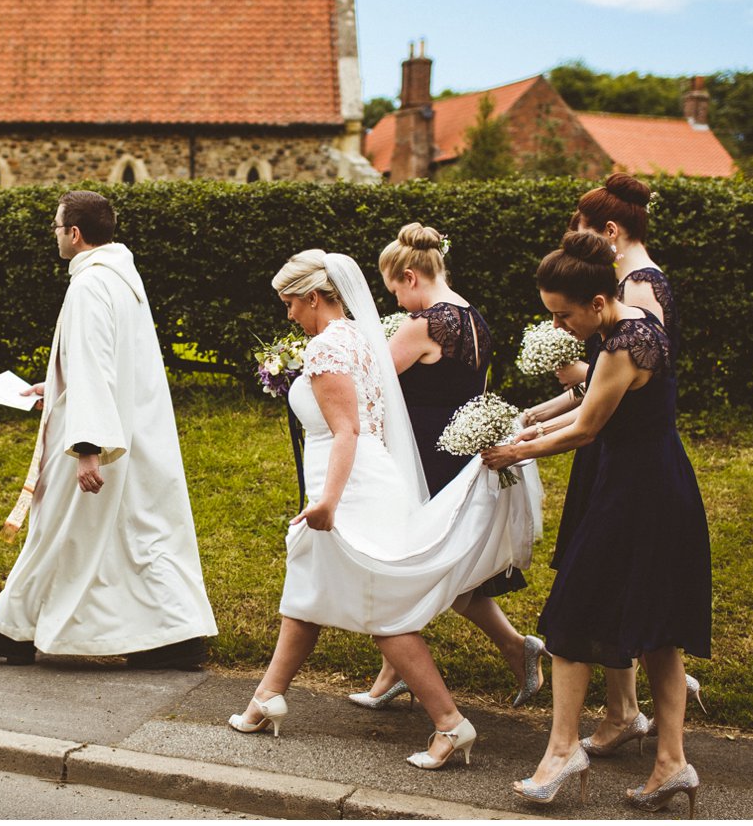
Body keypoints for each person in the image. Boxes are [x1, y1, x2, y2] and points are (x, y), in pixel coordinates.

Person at [228, 250, 540, 771]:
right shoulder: (357, 336)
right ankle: (265, 699)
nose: (287, 315)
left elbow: (346, 428)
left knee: (382, 610)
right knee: (307, 587)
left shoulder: (327, 347)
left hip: (347, 483)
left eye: (288, 304)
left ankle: (450, 724)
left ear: (312, 297)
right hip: (369, 474)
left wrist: (327, 500)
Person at [483, 231, 709, 815]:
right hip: (657, 484)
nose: (559, 327)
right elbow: (591, 409)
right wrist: (535, 429)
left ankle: (562, 753)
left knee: (569, 620)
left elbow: (587, 429)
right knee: (658, 630)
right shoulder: (631, 322)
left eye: (563, 315)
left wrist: (517, 452)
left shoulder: (621, 345)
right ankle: (671, 763)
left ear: (598, 304)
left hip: (636, 494)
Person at [0, 190, 218, 670]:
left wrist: (86, 447)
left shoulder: (89, 285)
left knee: (56, 527)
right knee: (139, 536)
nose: (54, 236)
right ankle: (177, 638)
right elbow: (107, 359)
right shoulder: (122, 278)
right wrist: (54, 384)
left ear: (74, 234)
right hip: (132, 428)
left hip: (95, 434)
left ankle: (15, 632)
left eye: (56, 228)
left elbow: (96, 362)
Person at [518, 174, 701, 753]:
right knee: (644, 617)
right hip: (624, 460)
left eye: (583, 228)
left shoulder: (636, 303)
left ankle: (593, 736)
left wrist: (523, 444)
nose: (558, 327)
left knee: (601, 607)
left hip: (630, 468)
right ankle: (648, 738)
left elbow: (608, 400)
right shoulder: (615, 300)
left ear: (611, 231)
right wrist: (543, 417)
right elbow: (600, 395)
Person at [348, 223, 543, 711]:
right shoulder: (473, 318)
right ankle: (400, 671)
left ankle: (514, 649)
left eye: (395, 291)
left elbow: (372, 383)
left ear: (411, 276)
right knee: (444, 568)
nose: (395, 304)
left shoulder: (425, 324)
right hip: (457, 451)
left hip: (425, 457)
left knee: (416, 564)